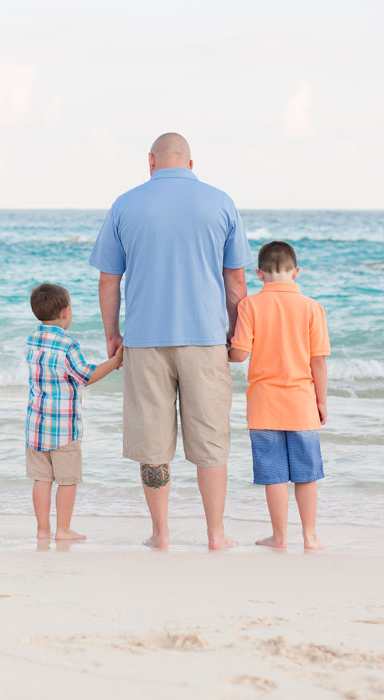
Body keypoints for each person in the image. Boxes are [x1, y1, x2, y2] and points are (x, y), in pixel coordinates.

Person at [89, 132, 252, 550]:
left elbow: (110, 280)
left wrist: (112, 333)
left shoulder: (125, 204)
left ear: (151, 161)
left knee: (153, 443)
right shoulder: (221, 202)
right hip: (207, 341)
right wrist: (238, 334)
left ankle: (160, 534)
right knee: (211, 440)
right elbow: (235, 281)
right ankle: (216, 535)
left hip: (145, 341)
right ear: (191, 164)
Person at [228, 241, 330, 550]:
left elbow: (240, 355)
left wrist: (226, 349)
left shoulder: (250, 305)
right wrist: (321, 400)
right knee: (306, 473)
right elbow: (318, 360)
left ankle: (280, 536)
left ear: (259, 274)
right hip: (302, 402)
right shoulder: (312, 307)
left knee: (273, 473)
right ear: (296, 272)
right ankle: (310, 536)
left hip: (264, 403)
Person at [25, 282, 123, 541]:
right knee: (67, 480)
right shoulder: (68, 345)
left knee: (41, 479)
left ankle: (42, 529)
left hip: (36, 424)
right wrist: (115, 362)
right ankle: (63, 530)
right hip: (64, 427)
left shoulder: (32, 339)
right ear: (66, 312)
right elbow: (85, 376)